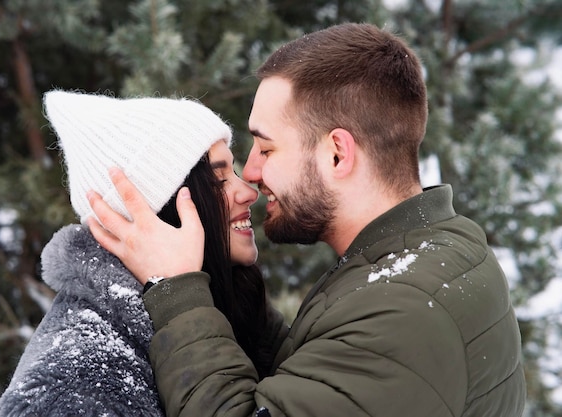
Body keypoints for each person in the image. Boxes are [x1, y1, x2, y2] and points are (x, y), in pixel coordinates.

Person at [87, 22, 526, 417]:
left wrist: (176, 290)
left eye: (267, 148)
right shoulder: (429, 247)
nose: (252, 175)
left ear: (337, 153)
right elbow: (323, 381)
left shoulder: (402, 311)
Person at [0, 91, 286, 416]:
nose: (248, 192)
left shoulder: (234, 303)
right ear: (155, 214)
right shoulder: (77, 376)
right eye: (219, 179)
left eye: (234, 171)